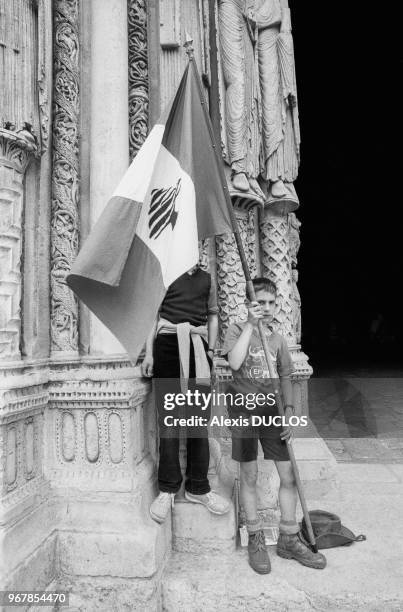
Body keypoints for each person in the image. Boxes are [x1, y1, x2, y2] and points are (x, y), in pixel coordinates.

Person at [221, 277, 326, 573]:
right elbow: (235, 362)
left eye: (270, 302)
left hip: (273, 412)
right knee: (249, 474)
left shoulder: (278, 340)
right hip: (243, 410)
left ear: (277, 304)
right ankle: (254, 537)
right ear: (249, 305)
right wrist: (252, 326)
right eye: (260, 303)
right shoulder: (238, 330)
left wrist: (289, 412)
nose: (266, 308)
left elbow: (286, 377)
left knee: (288, 474)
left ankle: (289, 538)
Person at [142, 264, 230, 523]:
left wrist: (211, 351)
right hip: (167, 345)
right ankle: (167, 489)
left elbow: (213, 316)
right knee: (169, 420)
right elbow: (153, 316)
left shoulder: (207, 279)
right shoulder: (165, 273)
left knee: (198, 421)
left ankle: (198, 487)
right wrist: (149, 354)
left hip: (199, 347)